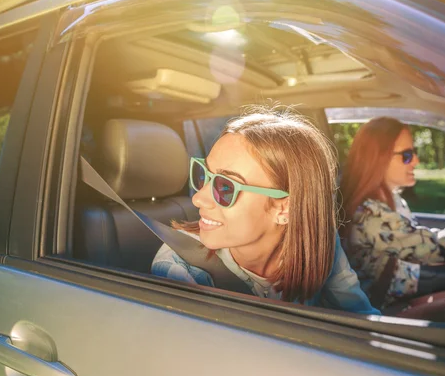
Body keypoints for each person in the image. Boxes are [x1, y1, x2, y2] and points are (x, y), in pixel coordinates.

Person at [151, 108, 379, 315]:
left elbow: (359, 317)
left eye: (225, 187)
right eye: (204, 175)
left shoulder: (319, 244)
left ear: (285, 207)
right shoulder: (180, 266)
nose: (199, 198)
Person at [339, 117, 445, 309]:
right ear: (379, 159)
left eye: (414, 153)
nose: (416, 160)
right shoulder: (370, 215)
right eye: (406, 155)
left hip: (404, 281)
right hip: (384, 308)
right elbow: (440, 249)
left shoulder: (389, 200)